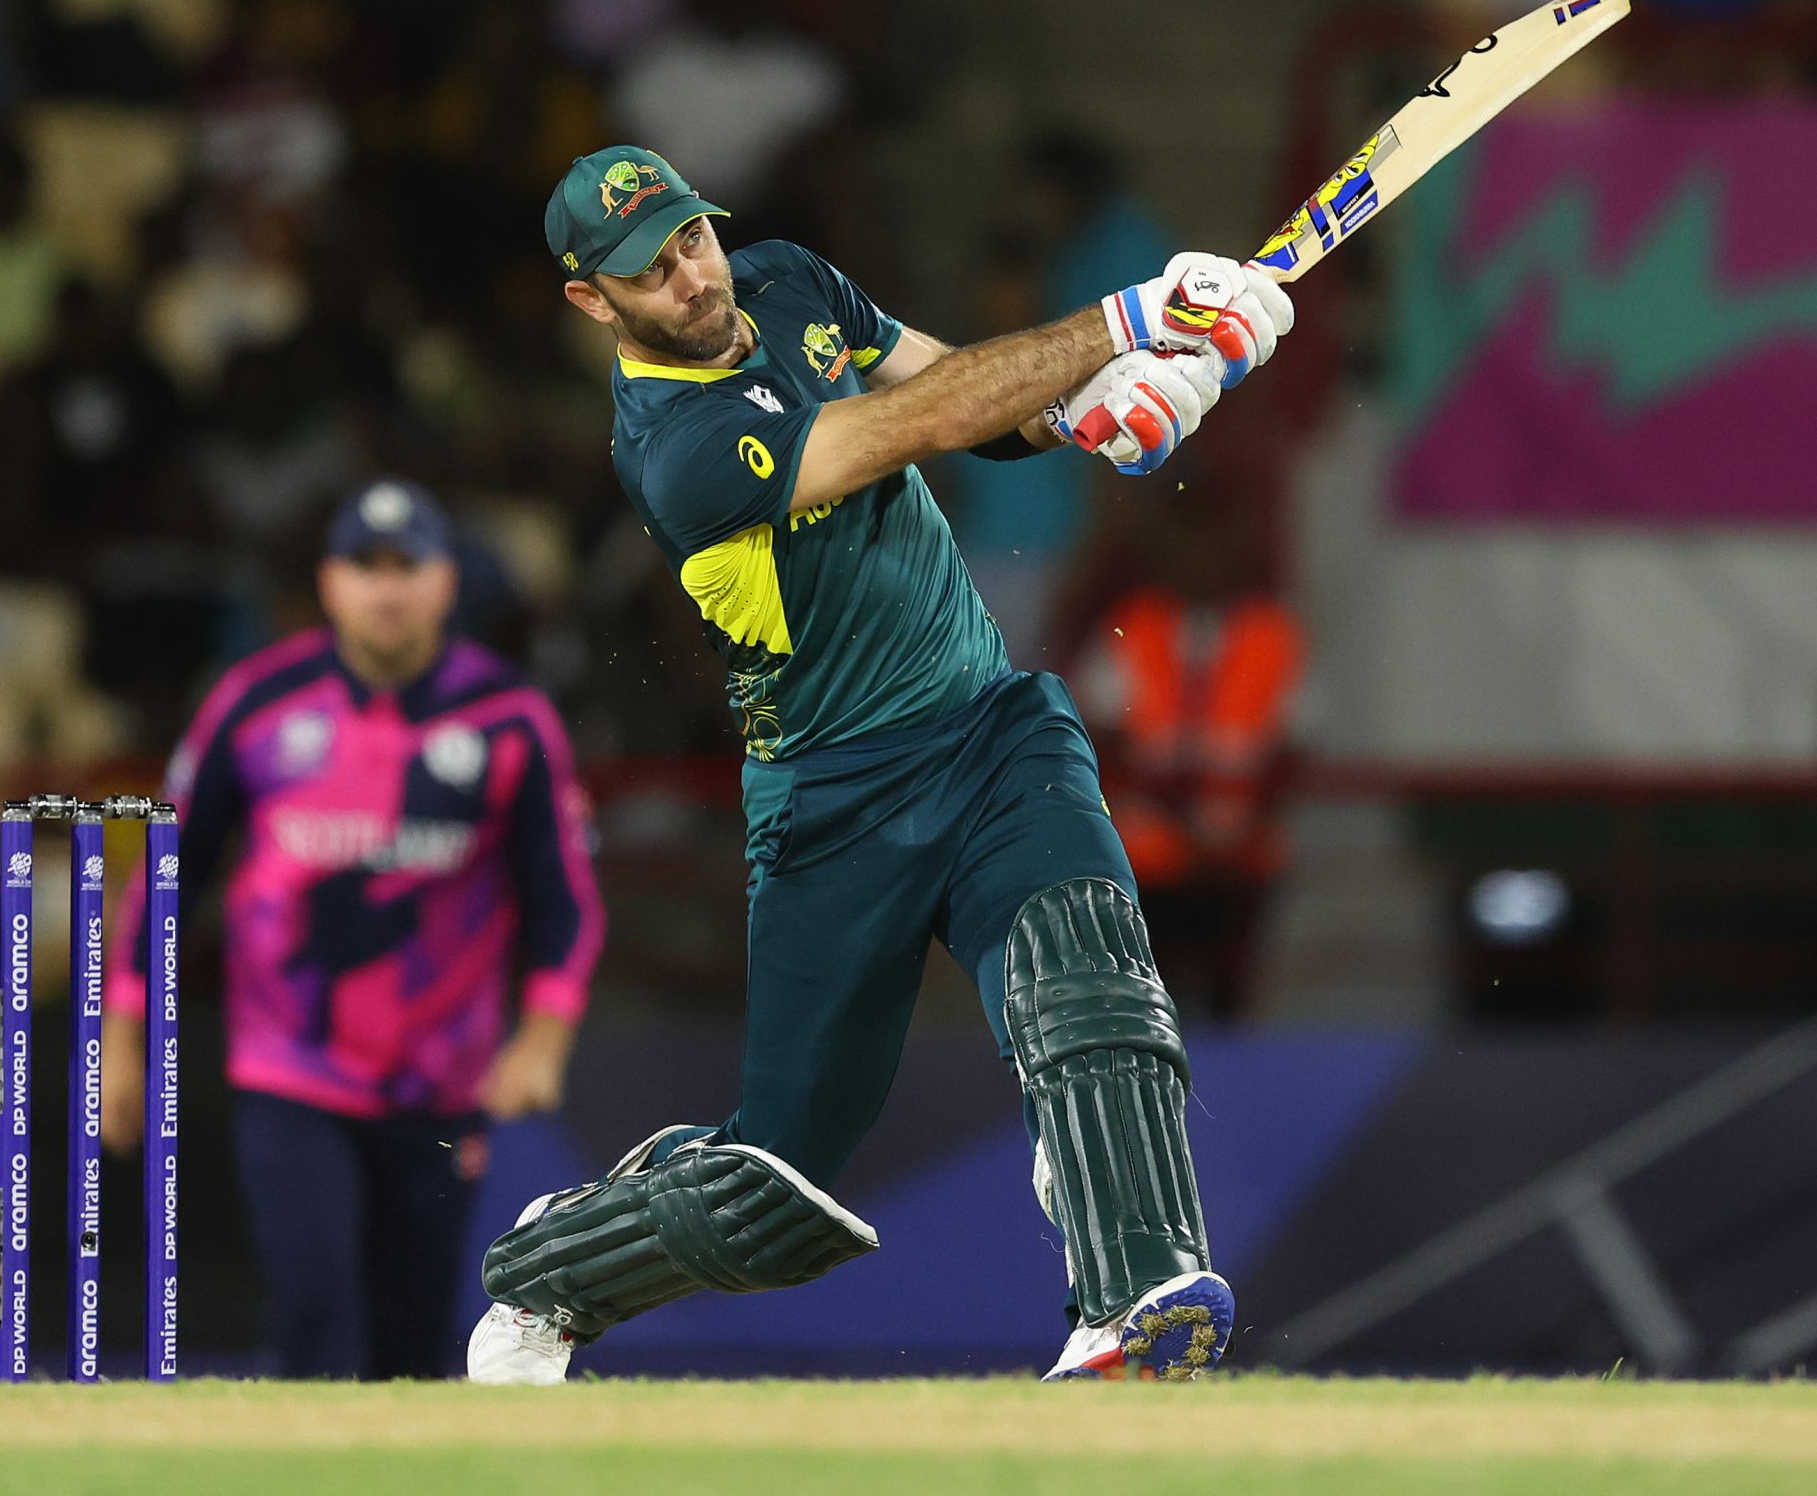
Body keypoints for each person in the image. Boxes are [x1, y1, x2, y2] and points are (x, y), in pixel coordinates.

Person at [465, 147, 1293, 1386]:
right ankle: (553, 1273)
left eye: (692, 239)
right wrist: (1128, 316)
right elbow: (909, 423)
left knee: (1090, 991)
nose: (693, 278)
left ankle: (1135, 1307)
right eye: (652, 270)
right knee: (773, 1194)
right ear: (594, 301)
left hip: (987, 726)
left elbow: (965, 394)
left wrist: (1105, 405)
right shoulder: (673, 450)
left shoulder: (786, 280)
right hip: (831, 802)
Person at [105, 479, 607, 1380]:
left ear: (447, 582)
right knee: (316, 1316)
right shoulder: (255, 702)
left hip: (444, 1083)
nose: (388, 588)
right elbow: (168, 871)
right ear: (328, 582)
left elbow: (563, 894)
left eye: (408, 566)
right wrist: (122, 1030)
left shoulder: (509, 719)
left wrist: (543, 1035)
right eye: (365, 566)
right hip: (291, 1071)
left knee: (414, 1344)